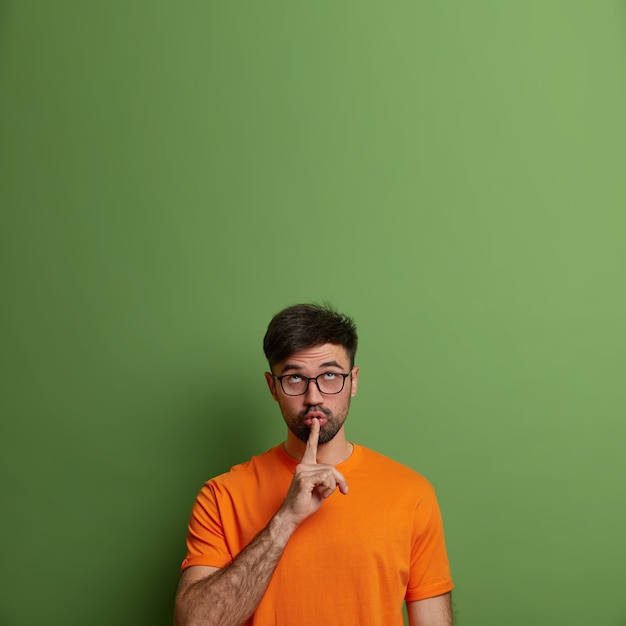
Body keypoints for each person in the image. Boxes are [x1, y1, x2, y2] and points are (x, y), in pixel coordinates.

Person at [174, 303, 454, 626]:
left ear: (353, 382)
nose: (314, 397)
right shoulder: (222, 496)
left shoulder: (412, 495)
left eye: (330, 375)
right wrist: (285, 520)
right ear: (272, 388)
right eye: (295, 378)